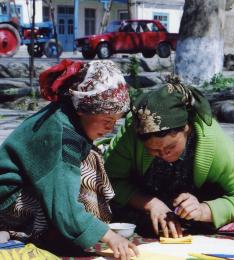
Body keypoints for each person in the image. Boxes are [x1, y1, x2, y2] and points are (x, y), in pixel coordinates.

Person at [0, 59, 139, 259]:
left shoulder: (67, 115)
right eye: (107, 121)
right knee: (83, 175)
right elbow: (63, 204)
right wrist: (108, 236)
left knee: (91, 157)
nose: (110, 129)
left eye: (115, 122)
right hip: (8, 200)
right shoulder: (62, 137)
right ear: (84, 110)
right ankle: (20, 231)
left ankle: (69, 230)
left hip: (23, 189)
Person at [104, 77, 234, 238]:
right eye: (153, 150)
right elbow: (109, 181)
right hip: (142, 215)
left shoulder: (215, 143)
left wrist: (203, 210)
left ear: (187, 128)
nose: (163, 155)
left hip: (195, 220)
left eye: (170, 147)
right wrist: (150, 204)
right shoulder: (131, 135)